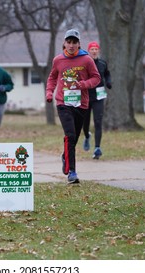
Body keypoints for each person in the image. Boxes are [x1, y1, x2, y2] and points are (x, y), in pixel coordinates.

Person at [46, 29, 101, 184]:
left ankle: (66, 156)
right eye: (68, 42)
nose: (71, 45)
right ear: (64, 43)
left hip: (81, 104)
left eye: (74, 42)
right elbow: (52, 77)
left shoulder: (86, 60)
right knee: (69, 135)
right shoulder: (58, 60)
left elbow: (96, 78)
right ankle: (72, 172)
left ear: (78, 44)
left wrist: (83, 84)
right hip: (63, 103)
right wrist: (49, 92)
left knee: (75, 137)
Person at [82, 41, 112, 160]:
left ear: (98, 51)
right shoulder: (84, 64)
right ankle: (86, 136)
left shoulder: (102, 63)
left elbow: (107, 74)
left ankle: (97, 148)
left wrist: (108, 82)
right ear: (89, 51)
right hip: (86, 96)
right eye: (92, 49)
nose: (94, 51)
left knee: (98, 121)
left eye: (96, 49)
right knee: (85, 122)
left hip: (99, 96)